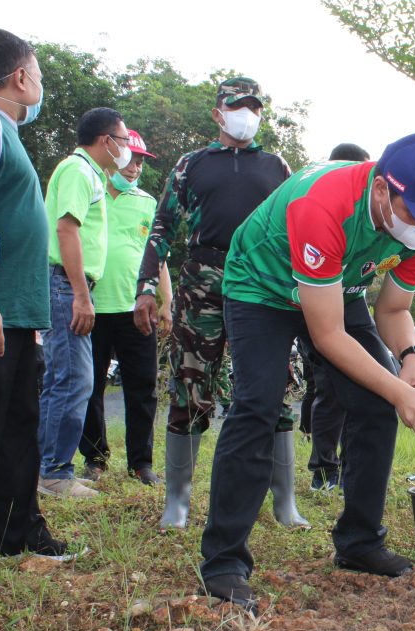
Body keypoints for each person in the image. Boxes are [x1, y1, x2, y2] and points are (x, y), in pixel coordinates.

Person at [199, 133, 415, 612]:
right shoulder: (322, 204)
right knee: (258, 405)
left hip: (335, 288)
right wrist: (397, 389)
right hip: (261, 285)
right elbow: (326, 336)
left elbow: (393, 309)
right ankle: (223, 562)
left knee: (376, 406)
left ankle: (359, 543)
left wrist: (409, 359)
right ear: (383, 188)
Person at [132, 77, 299, 530]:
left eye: (254, 107)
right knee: (190, 384)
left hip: (264, 282)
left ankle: (285, 504)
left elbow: (295, 226)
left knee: (273, 387)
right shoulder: (192, 164)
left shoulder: (277, 166)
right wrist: (147, 286)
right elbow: (163, 226)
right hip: (203, 279)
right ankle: (178, 503)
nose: (247, 114)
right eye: (237, 105)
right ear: (218, 113)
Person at [0, 29, 70, 578]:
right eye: (37, 71)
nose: (39, 83)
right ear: (20, 76)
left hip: (20, 313)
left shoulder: (4, 128)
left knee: (18, 424)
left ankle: (18, 530)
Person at [38, 108, 130, 497]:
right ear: (106, 140)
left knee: (66, 378)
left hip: (69, 285)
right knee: (73, 379)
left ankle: (44, 467)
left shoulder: (91, 173)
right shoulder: (78, 170)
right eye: (123, 141)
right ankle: (55, 472)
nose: (126, 149)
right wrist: (79, 293)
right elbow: (66, 229)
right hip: (65, 285)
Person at [80, 130, 172, 486]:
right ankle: (95, 458)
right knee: (91, 385)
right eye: (130, 159)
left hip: (137, 308)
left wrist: (167, 302)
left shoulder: (148, 203)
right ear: (112, 152)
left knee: (142, 387)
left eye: (140, 162)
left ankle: (141, 463)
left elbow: (159, 258)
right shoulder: (91, 190)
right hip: (92, 305)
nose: (135, 168)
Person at [303, 141, 373, 492]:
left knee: (371, 383)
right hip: (314, 299)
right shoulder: (322, 204)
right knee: (329, 388)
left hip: (353, 300)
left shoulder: (371, 211)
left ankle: (355, 472)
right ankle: (324, 468)